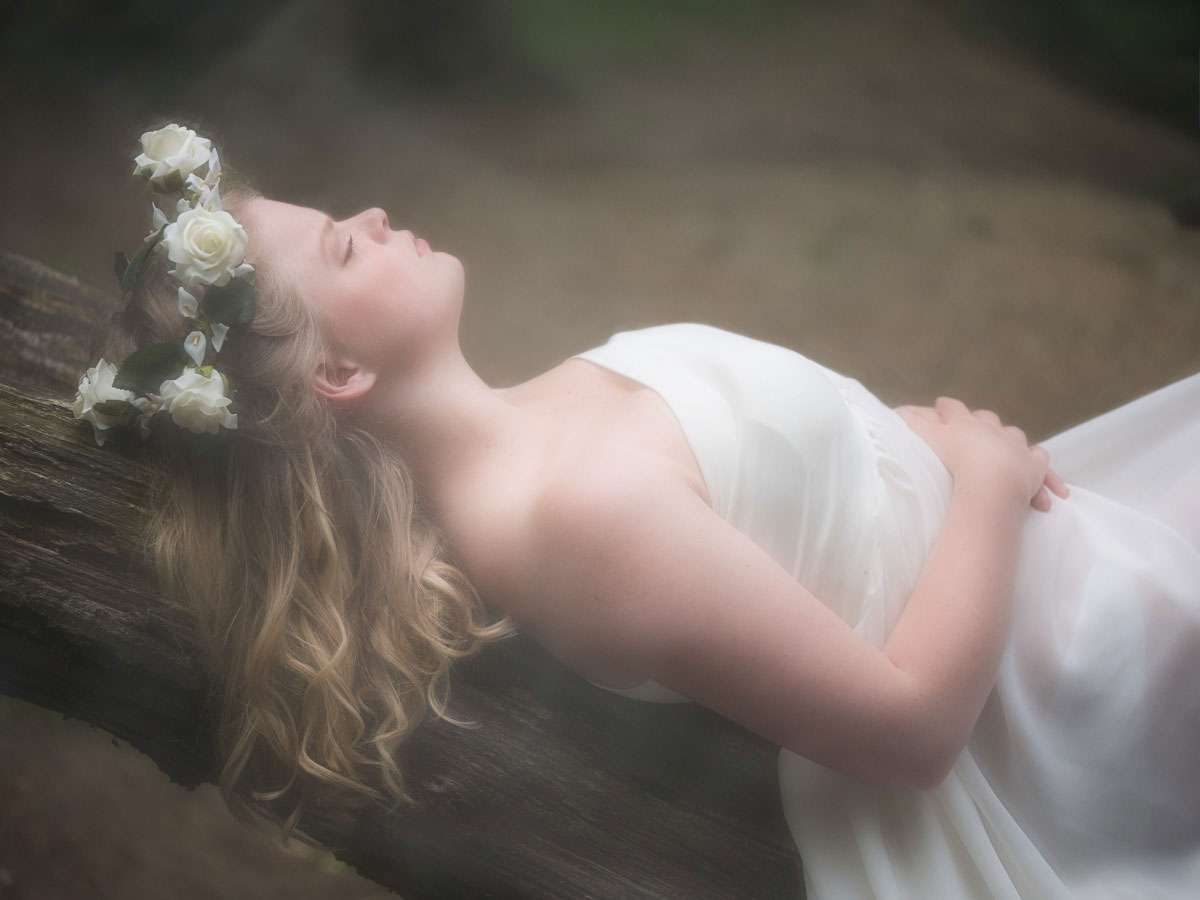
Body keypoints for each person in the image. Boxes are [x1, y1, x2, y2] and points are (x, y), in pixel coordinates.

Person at [78, 127, 1200, 899]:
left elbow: (784, 487)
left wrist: (903, 447)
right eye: (342, 245)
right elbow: (907, 732)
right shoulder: (575, 519)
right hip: (1071, 678)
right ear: (338, 376)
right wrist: (990, 493)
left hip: (1071, 568)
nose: (372, 212)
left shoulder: (546, 416)